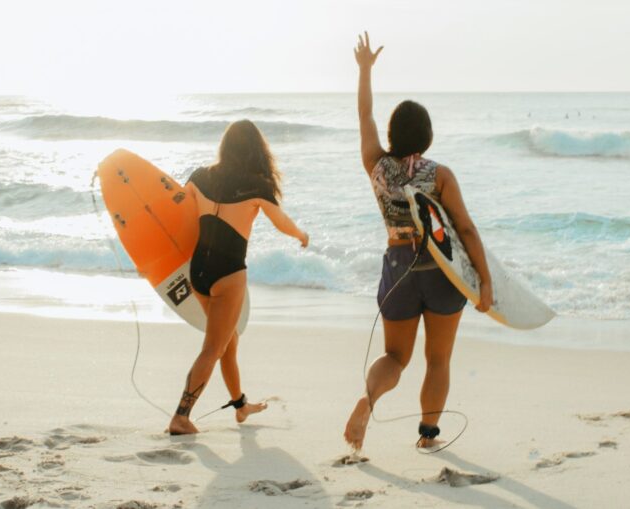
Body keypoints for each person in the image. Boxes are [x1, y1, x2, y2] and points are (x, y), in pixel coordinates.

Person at [343, 32, 494, 451]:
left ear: (392, 134)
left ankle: (368, 401)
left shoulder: (376, 166)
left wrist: (365, 70)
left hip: (397, 269)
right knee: (438, 359)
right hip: (440, 270)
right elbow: (464, 229)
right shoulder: (439, 173)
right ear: (427, 135)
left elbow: (364, 116)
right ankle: (428, 437)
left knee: (396, 358)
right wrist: (485, 280)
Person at [166, 120, 309, 436]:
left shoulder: (200, 176)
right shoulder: (257, 186)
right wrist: (301, 235)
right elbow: (281, 221)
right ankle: (181, 416)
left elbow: (175, 208)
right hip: (228, 273)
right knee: (213, 348)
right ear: (257, 150)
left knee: (229, 341)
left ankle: (240, 405)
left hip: (198, 272)